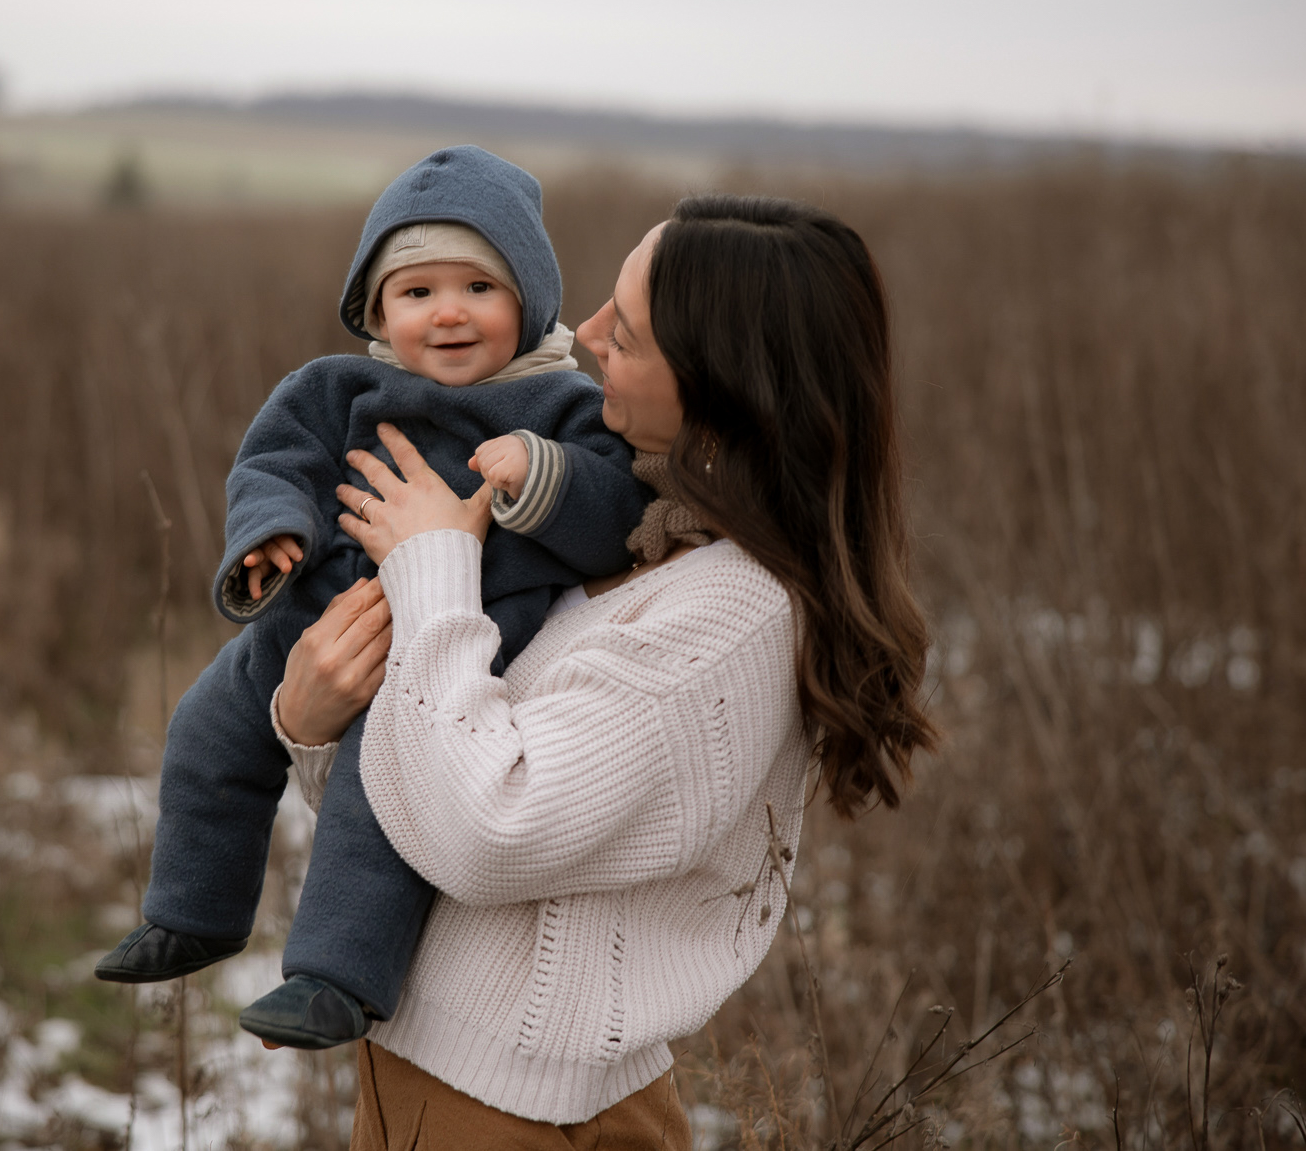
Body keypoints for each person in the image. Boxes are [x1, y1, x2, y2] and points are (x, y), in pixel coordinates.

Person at [270, 195, 938, 1142]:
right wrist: (311, 723)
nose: (580, 335)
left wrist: (433, 568)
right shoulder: (641, 548)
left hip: (523, 1114)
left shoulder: (729, 615)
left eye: (623, 330)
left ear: (719, 381)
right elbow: (427, 794)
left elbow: (491, 828)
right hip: (437, 1075)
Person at [94, 146, 647, 1050]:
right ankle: (194, 909)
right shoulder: (333, 387)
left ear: (531, 299)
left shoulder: (560, 407)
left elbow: (613, 513)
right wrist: (272, 535)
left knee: (376, 782)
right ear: (377, 309)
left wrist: (541, 474)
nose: (449, 312)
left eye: (480, 285)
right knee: (206, 725)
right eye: (417, 291)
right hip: (315, 612)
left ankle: (337, 976)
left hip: (452, 638)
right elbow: (275, 464)